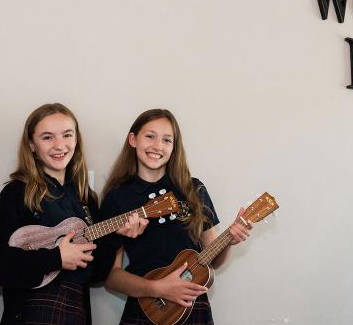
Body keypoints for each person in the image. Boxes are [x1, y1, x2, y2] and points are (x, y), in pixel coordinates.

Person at [0, 103, 148, 325]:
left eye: (67, 135)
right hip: (31, 315)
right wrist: (56, 258)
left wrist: (117, 236)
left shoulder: (87, 200)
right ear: (32, 144)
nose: (60, 145)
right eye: (47, 137)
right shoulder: (18, 193)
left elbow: (97, 275)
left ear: (76, 140)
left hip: (75, 314)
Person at [98, 109, 253, 325]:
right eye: (150, 136)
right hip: (145, 308)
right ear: (133, 140)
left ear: (174, 147)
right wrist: (155, 288)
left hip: (192, 307)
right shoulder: (117, 198)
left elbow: (214, 262)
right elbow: (112, 278)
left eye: (167, 140)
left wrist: (230, 240)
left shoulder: (193, 189)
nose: (157, 146)